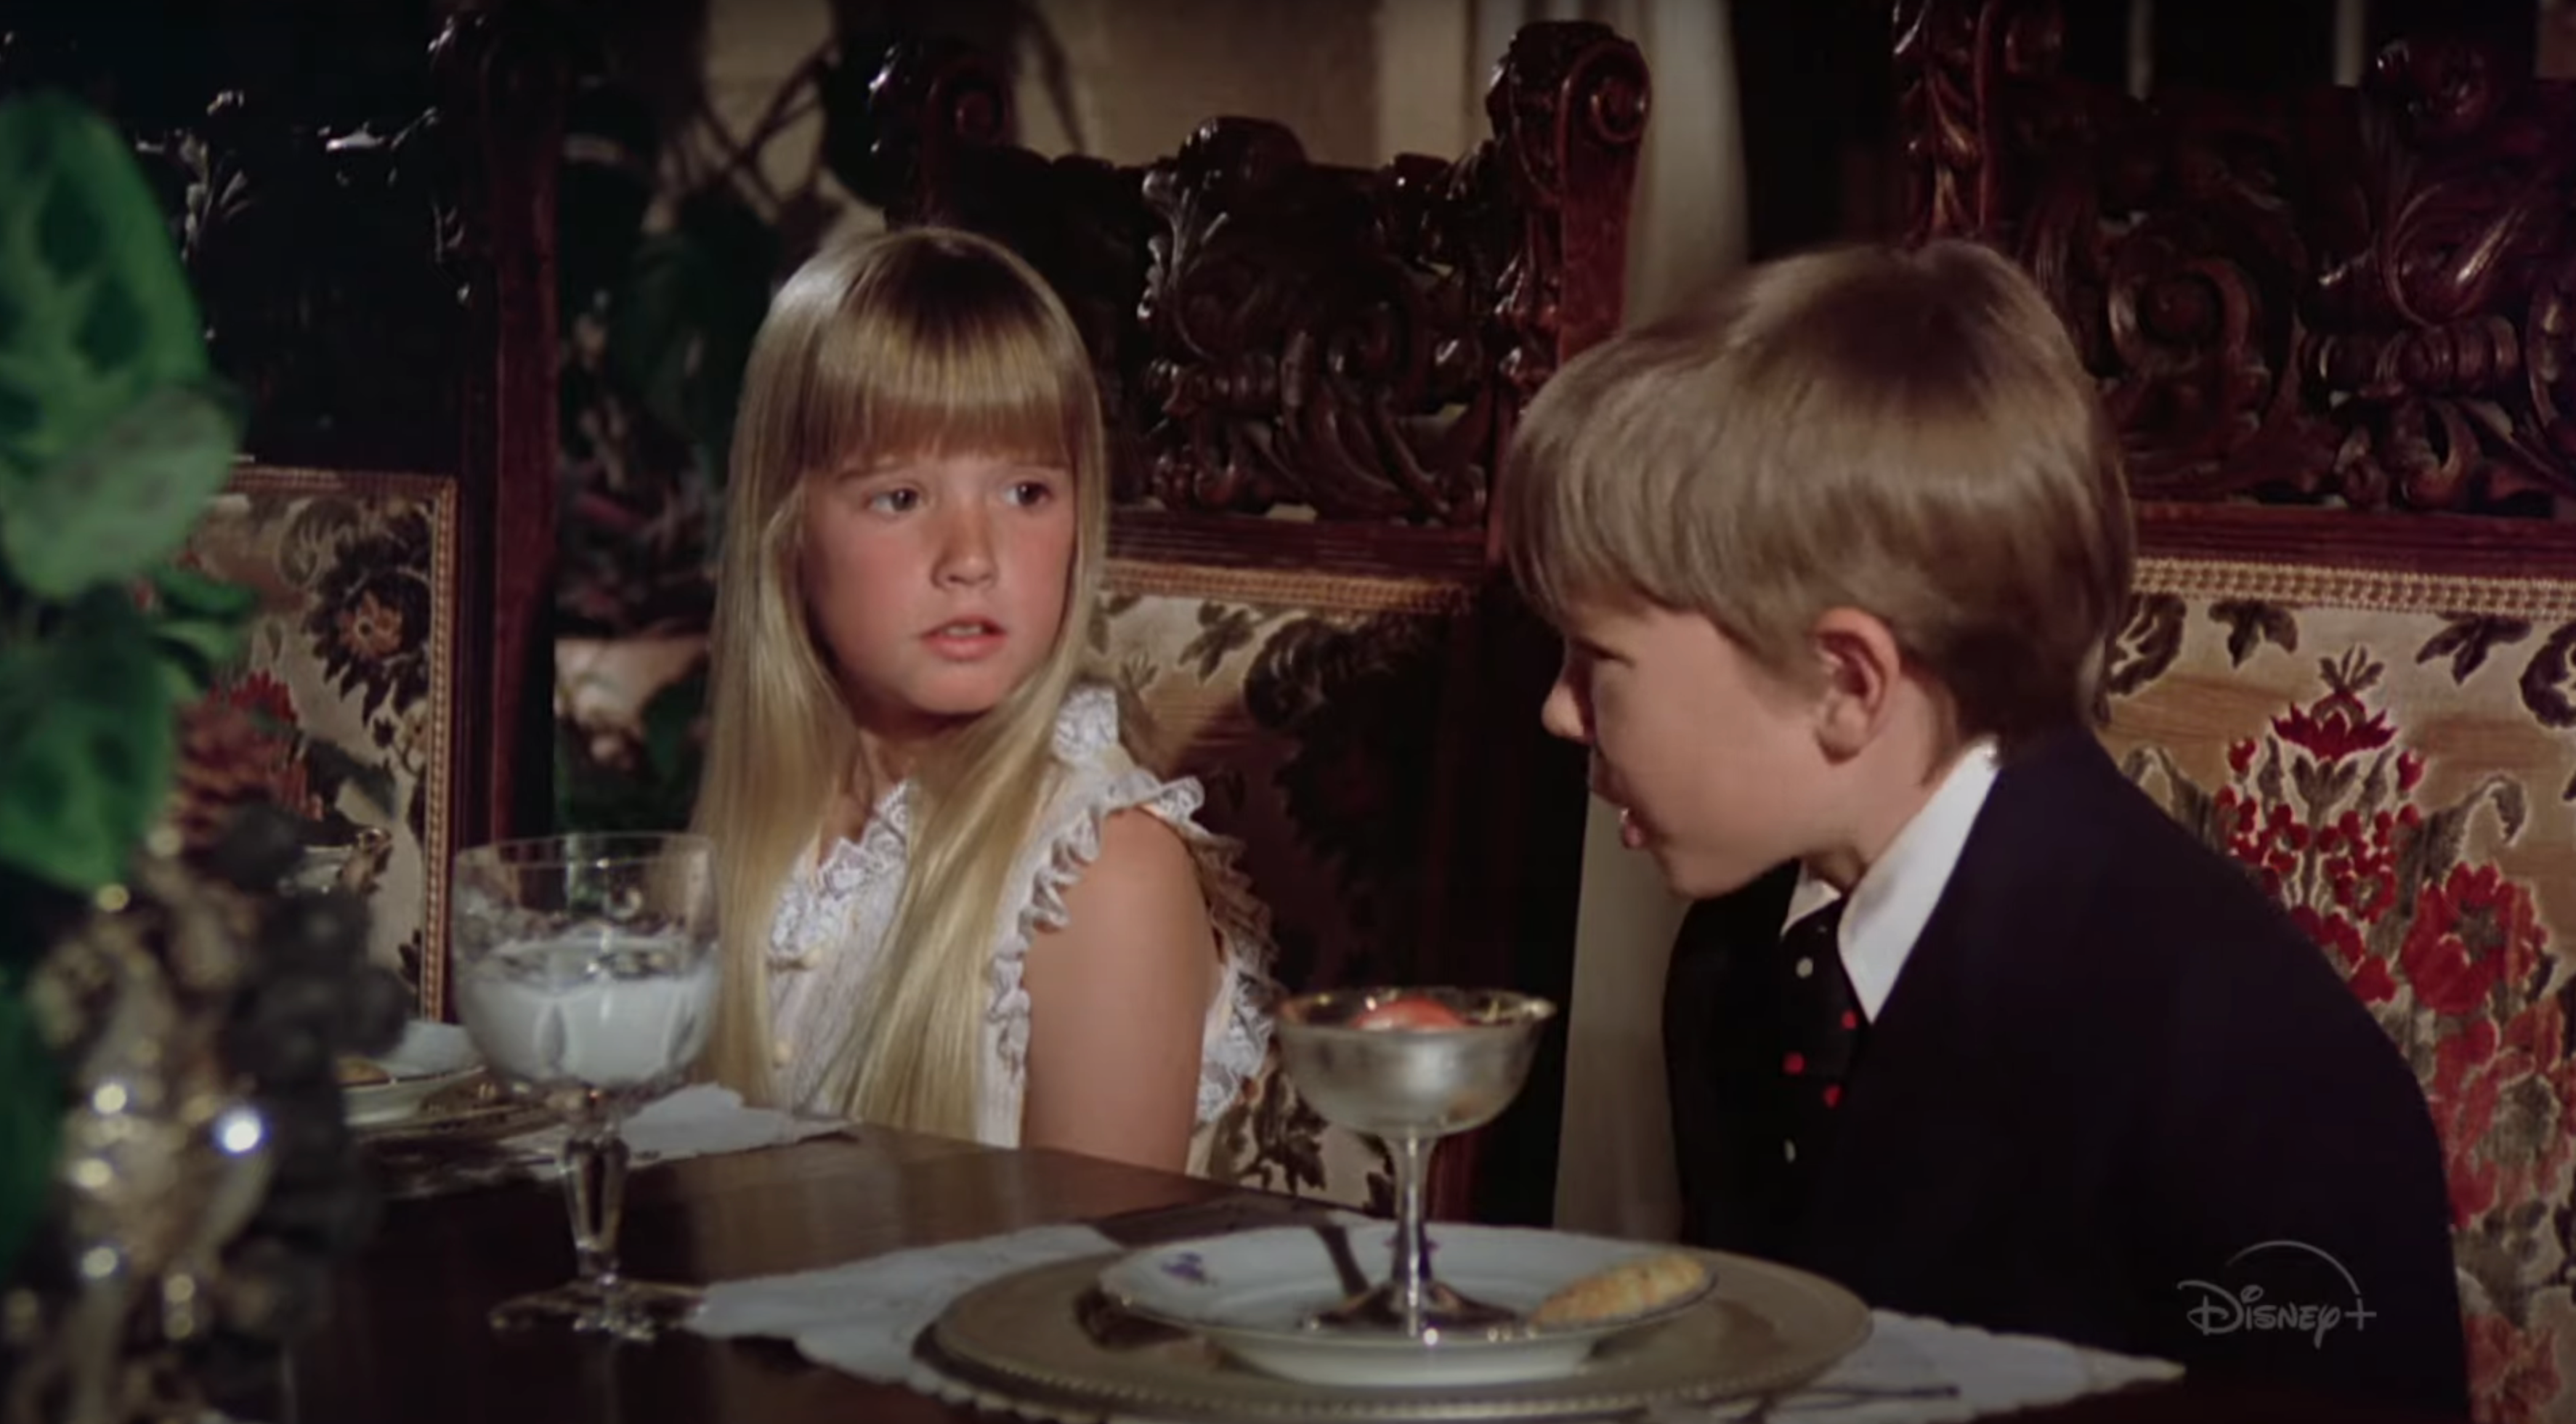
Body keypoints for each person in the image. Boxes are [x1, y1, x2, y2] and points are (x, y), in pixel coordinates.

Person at [1499, 238, 2468, 1414]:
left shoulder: (2251, 1069)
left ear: (1845, 684)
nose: (1558, 712)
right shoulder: (1743, 960)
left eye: (1596, 658)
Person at [692, 226, 1275, 1176]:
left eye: (1026, 492)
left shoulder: (1098, 876)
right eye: (901, 498)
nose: (971, 558)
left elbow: (1089, 1262)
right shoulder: (772, 827)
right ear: (788, 528)